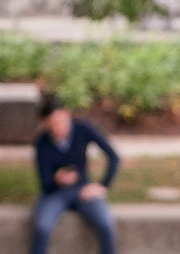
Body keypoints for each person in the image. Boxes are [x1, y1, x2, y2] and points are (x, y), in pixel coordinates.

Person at [30, 94, 119, 254]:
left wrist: (102, 186)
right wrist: (57, 178)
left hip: (83, 189)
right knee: (42, 227)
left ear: (66, 114)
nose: (57, 128)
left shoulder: (83, 129)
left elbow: (113, 156)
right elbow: (45, 183)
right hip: (54, 193)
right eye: (51, 125)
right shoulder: (42, 143)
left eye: (59, 122)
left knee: (106, 224)